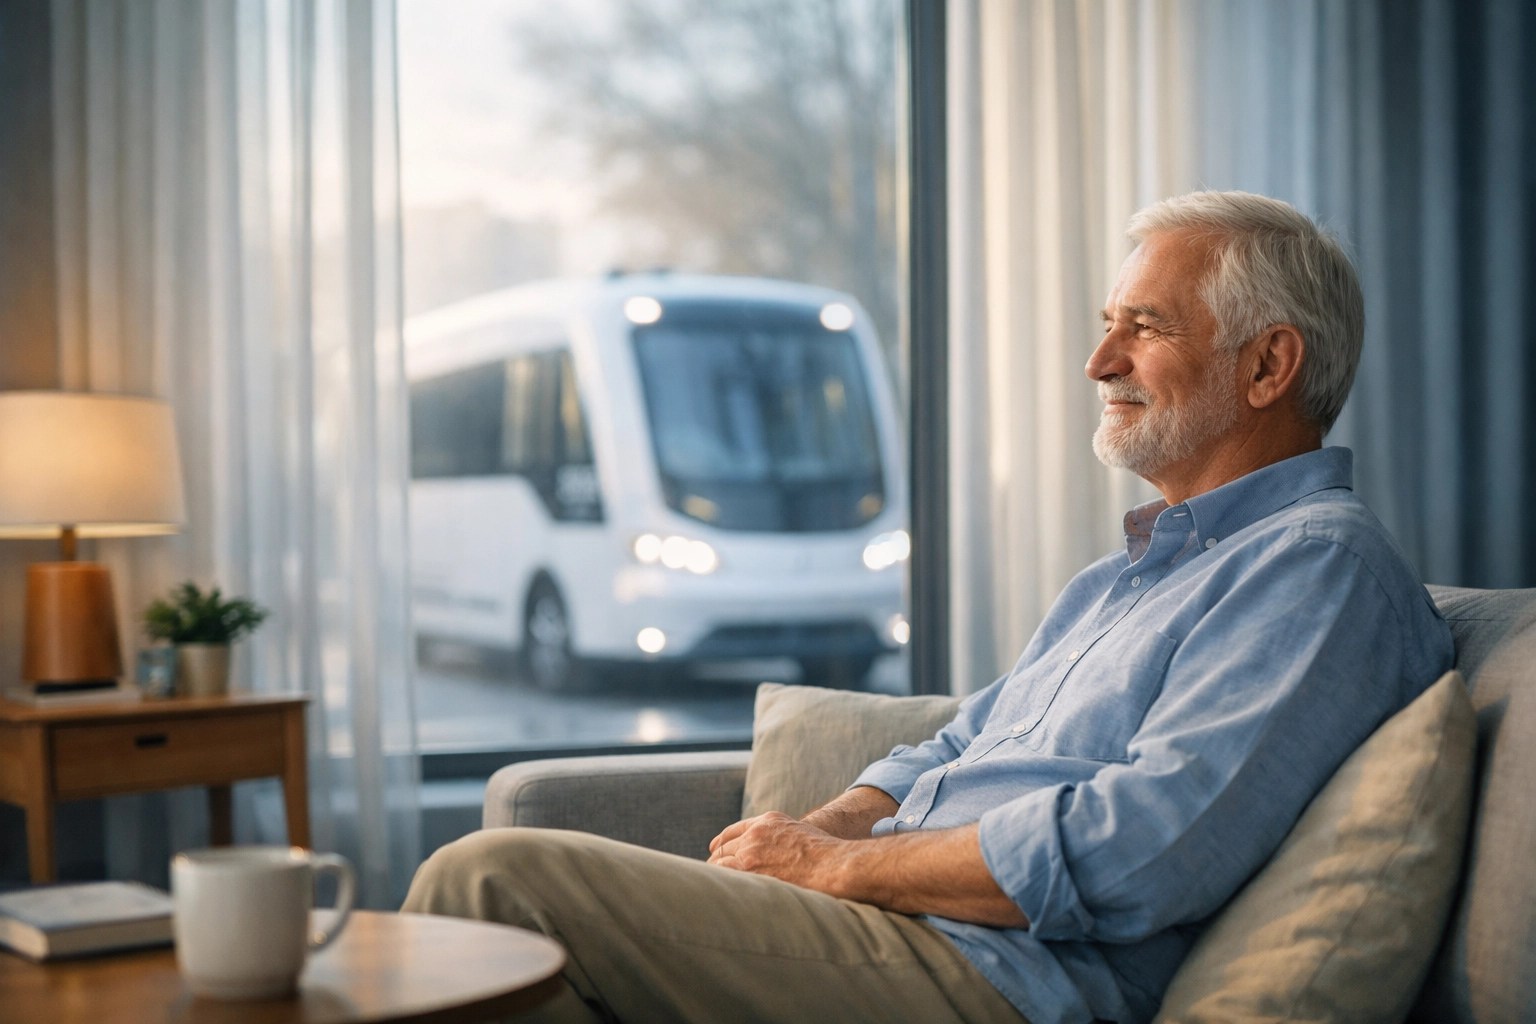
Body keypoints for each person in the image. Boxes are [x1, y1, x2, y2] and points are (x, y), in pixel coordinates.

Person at [402, 191, 1454, 1024]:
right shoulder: (1130, 572)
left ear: (1269, 364)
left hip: (997, 972)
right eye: (1106, 326)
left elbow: (1141, 847)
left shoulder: (1318, 569)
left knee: (494, 880)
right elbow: (959, 739)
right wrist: (829, 821)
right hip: (914, 923)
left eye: (1144, 326)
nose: (1099, 362)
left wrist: (843, 866)